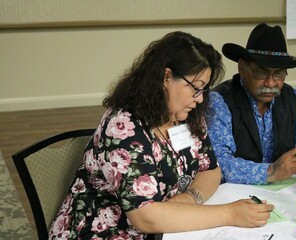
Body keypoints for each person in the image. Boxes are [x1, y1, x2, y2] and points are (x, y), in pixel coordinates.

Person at [48, 31, 274, 240]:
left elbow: (211, 169)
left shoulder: (187, 115)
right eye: (196, 87)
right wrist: (229, 214)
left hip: (165, 226)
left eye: (204, 89)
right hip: (106, 230)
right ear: (166, 77)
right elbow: (146, 216)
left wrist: (190, 199)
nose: (200, 99)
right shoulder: (123, 126)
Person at [206, 23, 296, 185]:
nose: (271, 82)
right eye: (261, 72)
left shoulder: (292, 98)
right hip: (236, 194)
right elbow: (217, 163)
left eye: (278, 73)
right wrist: (271, 171)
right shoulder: (220, 100)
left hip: (283, 189)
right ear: (242, 68)